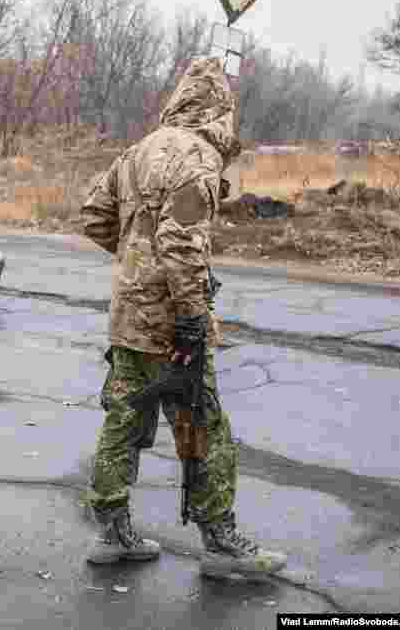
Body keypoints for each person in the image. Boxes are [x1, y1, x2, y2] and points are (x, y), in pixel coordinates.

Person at [80, 57, 286, 578]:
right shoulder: (198, 158)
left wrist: (134, 264)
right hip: (171, 328)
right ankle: (220, 544)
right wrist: (193, 318)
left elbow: (94, 217)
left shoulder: (137, 151)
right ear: (220, 110)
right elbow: (180, 242)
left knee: (123, 421)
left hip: (127, 319)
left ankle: (113, 532)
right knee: (205, 427)